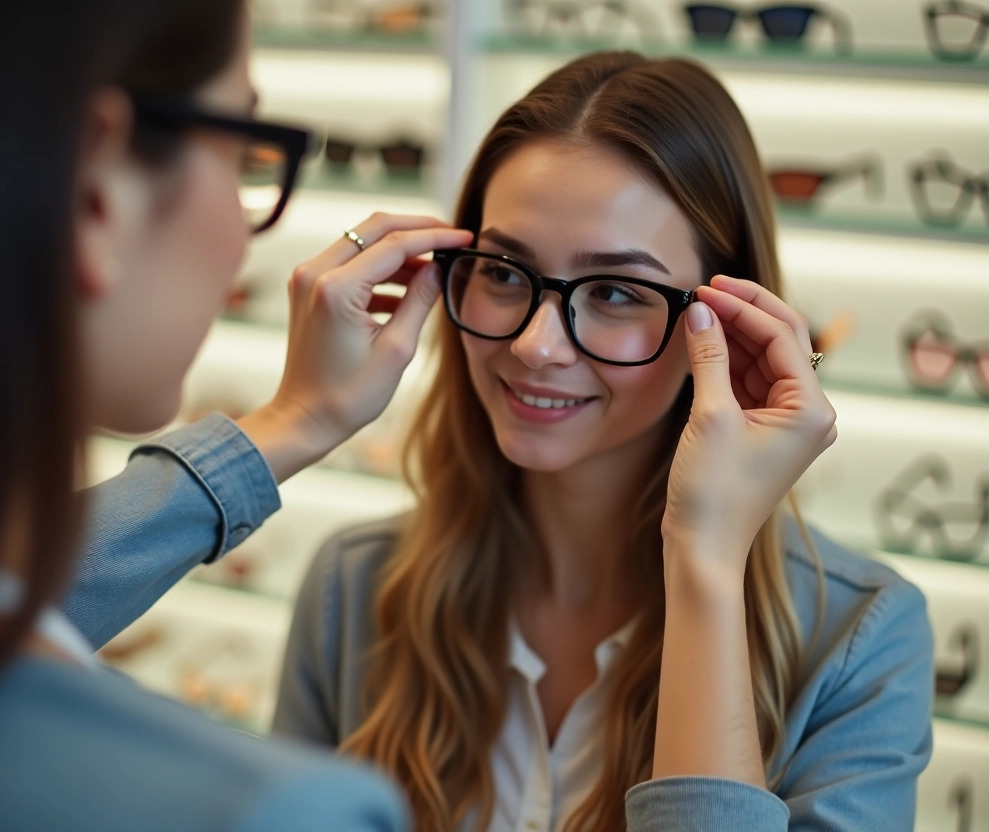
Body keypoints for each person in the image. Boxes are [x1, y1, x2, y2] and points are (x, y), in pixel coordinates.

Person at [0, 1, 473, 830]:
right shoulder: (274, 812)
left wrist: (295, 419)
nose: (243, 236)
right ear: (99, 190)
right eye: (243, 154)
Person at [270, 51, 936, 831]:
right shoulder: (354, 589)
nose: (536, 346)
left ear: (724, 324)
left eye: (616, 291)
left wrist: (706, 566)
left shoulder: (861, 643)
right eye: (505, 272)